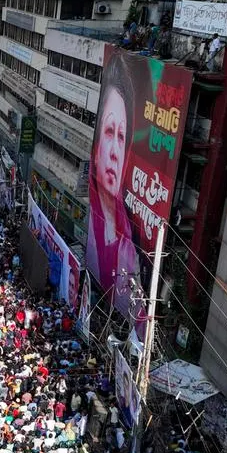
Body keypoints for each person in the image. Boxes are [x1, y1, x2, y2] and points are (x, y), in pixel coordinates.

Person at [87, 52, 140, 317]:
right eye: (109, 132)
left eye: (122, 136)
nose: (115, 151)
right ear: (96, 148)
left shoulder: (129, 255)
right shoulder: (92, 237)